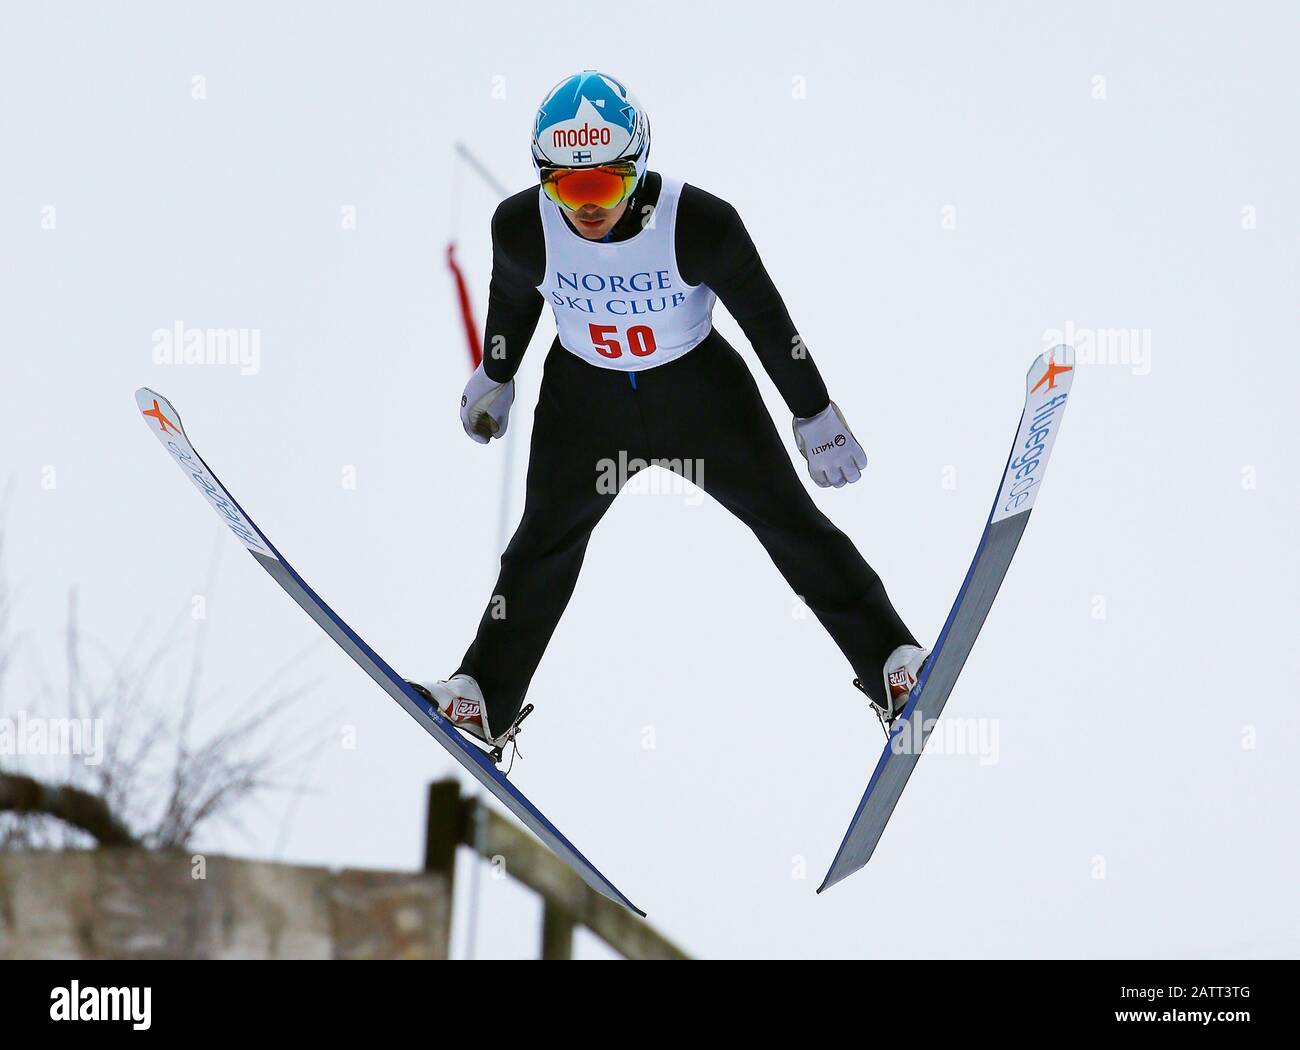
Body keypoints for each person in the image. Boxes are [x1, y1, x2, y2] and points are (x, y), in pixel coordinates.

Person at [412, 70, 927, 753]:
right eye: (569, 186)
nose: (588, 207)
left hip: (701, 399)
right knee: (539, 548)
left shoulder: (701, 223)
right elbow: (515, 298)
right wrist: (496, 373)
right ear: (544, 178)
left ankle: (892, 665)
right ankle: (484, 695)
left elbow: (769, 323)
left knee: (790, 523)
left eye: (606, 185)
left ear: (640, 168)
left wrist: (814, 414)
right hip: (585, 408)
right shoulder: (520, 226)